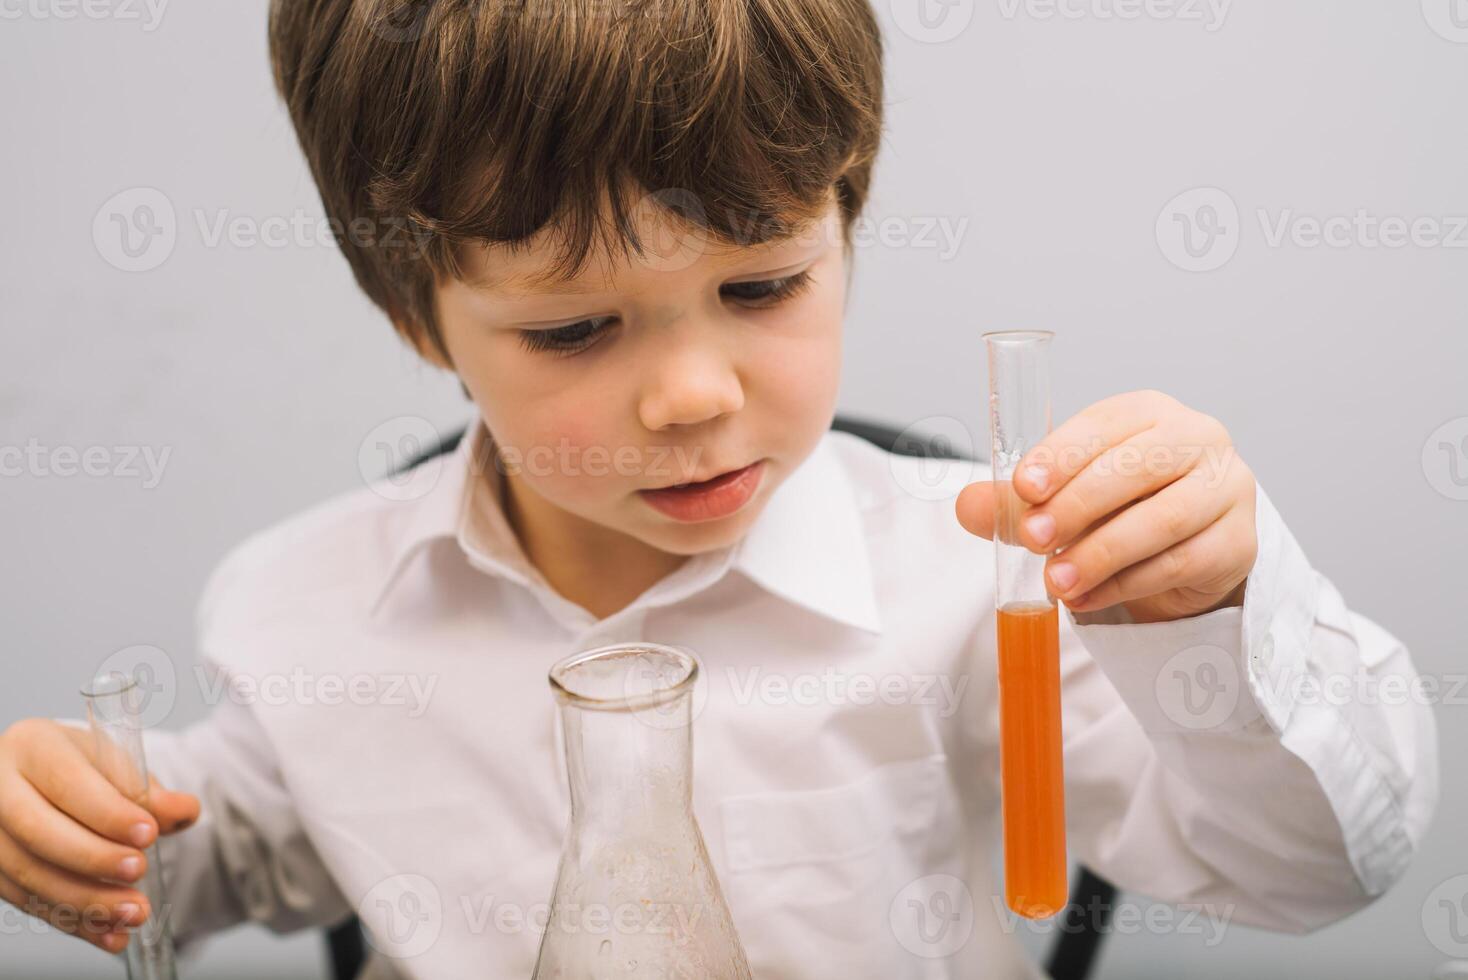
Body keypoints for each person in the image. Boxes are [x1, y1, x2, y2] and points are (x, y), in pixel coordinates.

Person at [0, 1, 1437, 976]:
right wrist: (78, 817)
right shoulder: (311, 612)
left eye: (763, 284)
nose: (694, 395)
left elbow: (1313, 868)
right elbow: (212, 858)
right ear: (418, 319)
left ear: (847, 220)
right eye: (572, 328)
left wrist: (1214, 611)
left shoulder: (976, 594)